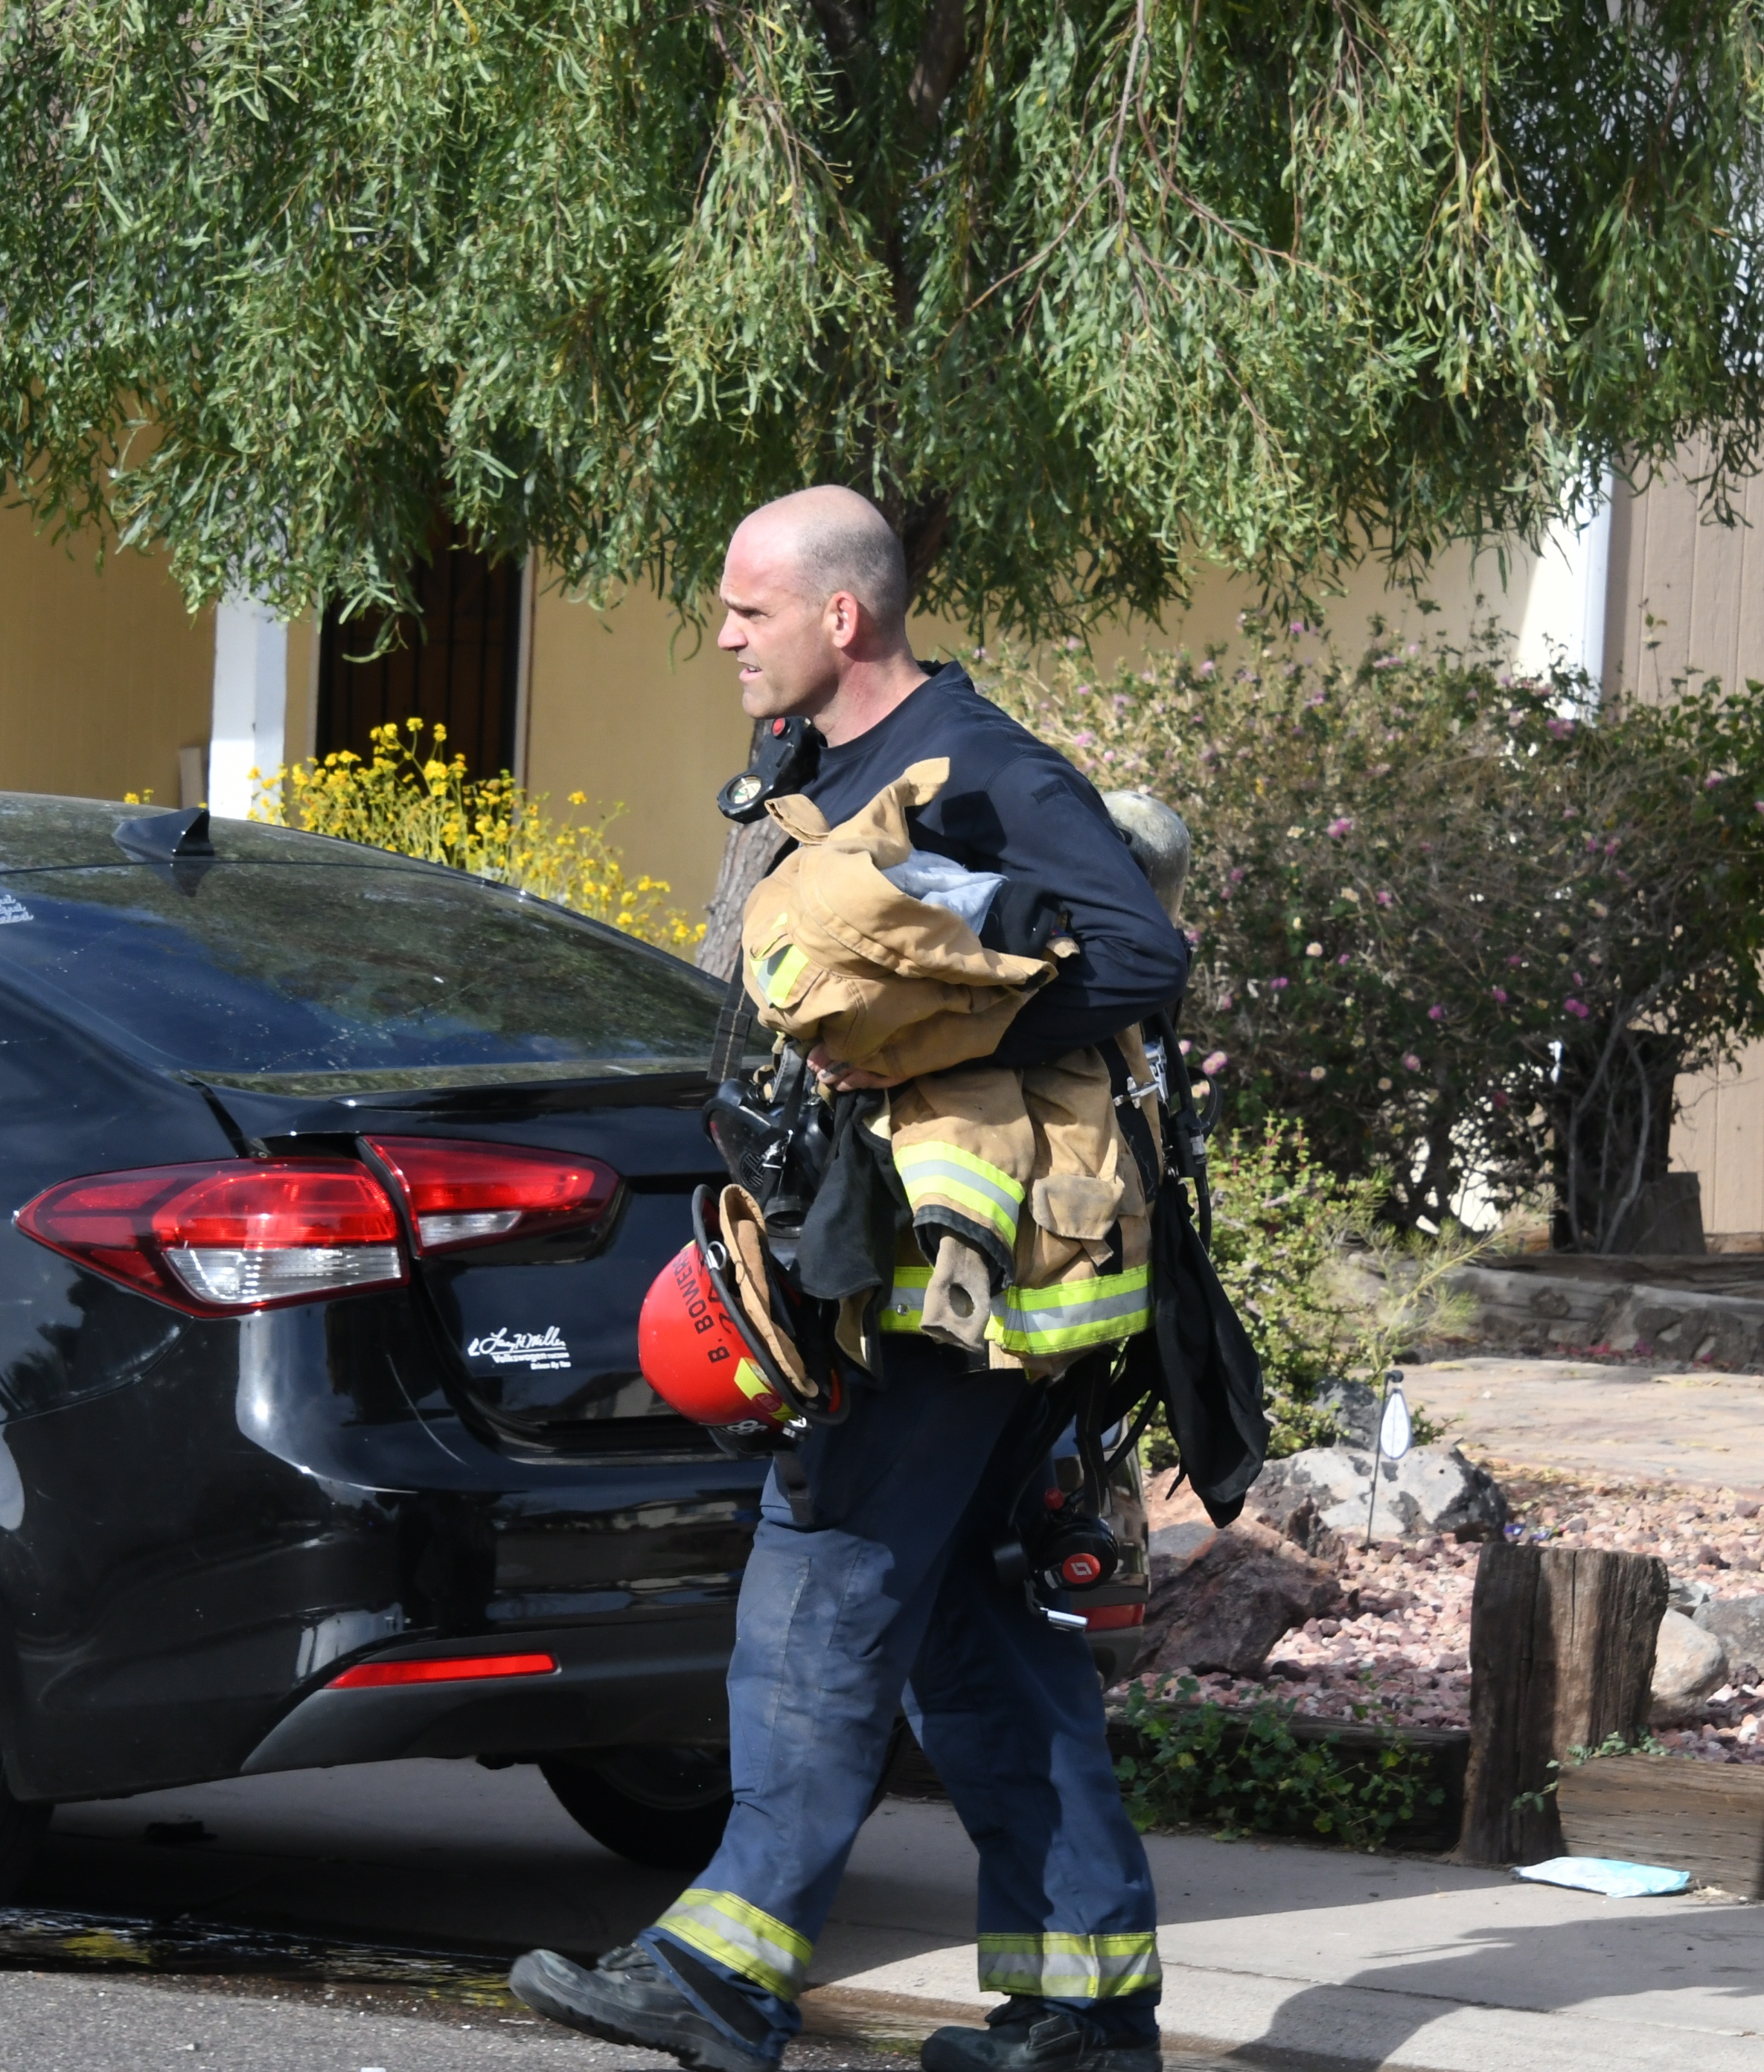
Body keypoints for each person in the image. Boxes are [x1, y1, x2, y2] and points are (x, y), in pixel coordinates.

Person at [508, 488, 1190, 2072]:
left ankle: (721, 1971)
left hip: (955, 1292)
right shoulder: (820, 763)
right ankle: (1086, 2008)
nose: (723, 637)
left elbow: (1140, 959)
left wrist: (939, 1035)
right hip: (902, 1267)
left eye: (748, 609)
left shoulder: (985, 765)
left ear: (841, 615)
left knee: (820, 1582)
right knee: (973, 1625)